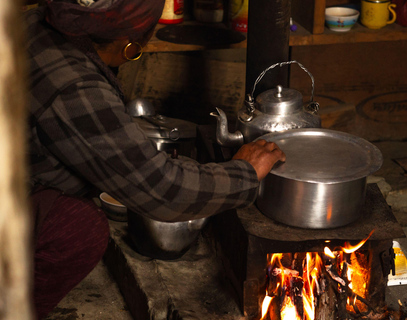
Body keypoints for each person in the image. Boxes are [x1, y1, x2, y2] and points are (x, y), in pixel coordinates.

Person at [25, 0, 286, 318]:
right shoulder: (72, 86)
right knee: (78, 228)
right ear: (132, 42)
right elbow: (163, 191)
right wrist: (244, 173)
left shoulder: (34, 23)